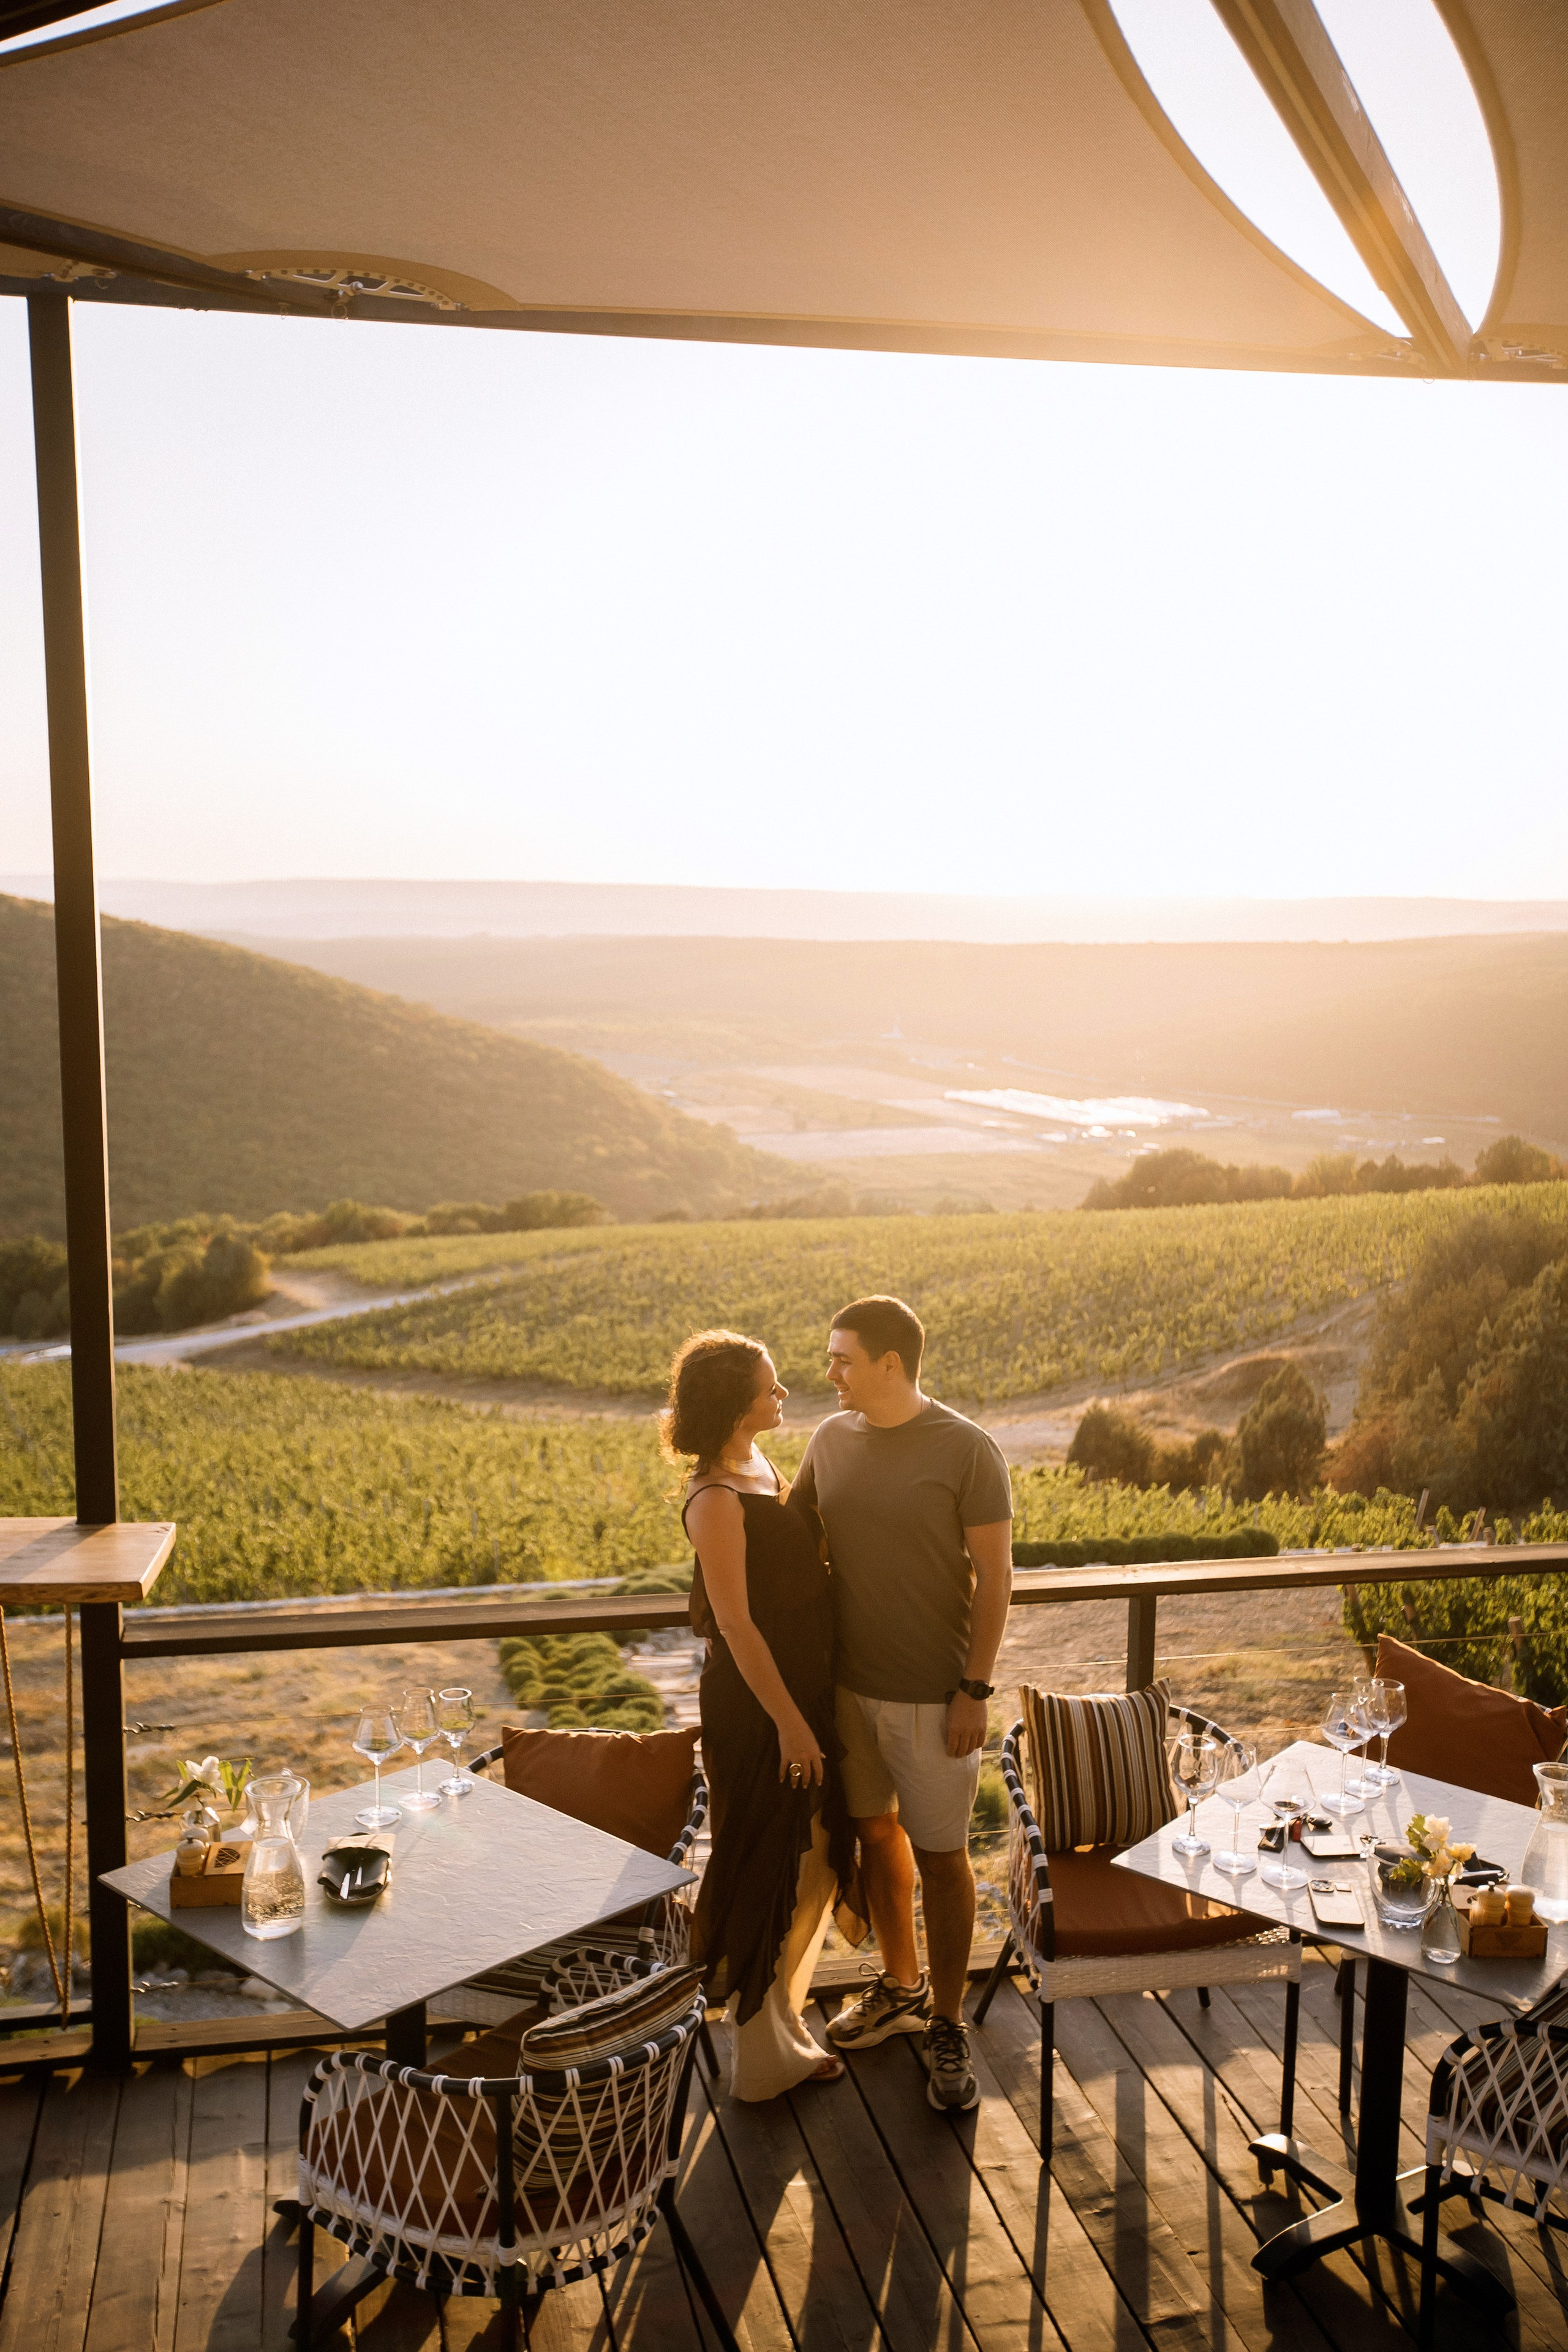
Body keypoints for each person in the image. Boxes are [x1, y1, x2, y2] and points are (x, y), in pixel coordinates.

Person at [791, 1294, 1013, 2112]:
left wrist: (974, 1689)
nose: (830, 1373)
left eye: (842, 1357)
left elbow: (996, 1578)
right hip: (848, 1691)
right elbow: (793, 1536)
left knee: (944, 1854)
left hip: (935, 1698)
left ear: (891, 1363)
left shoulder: (966, 1449)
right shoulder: (829, 1440)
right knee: (878, 1836)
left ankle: (948, 2023)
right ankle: (902, 1987)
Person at [666, 1328, 860, 2100]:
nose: (783, 1394)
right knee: (761, 1860)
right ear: (731, 1400)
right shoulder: (713, 1497)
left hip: (800, 1694)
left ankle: (778, 2023)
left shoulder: (759, 1464)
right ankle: (759, 2059)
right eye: (768, 1385)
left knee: (809, 1855)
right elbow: (737, 1626)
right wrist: (789, 1723)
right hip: (759, 1710)